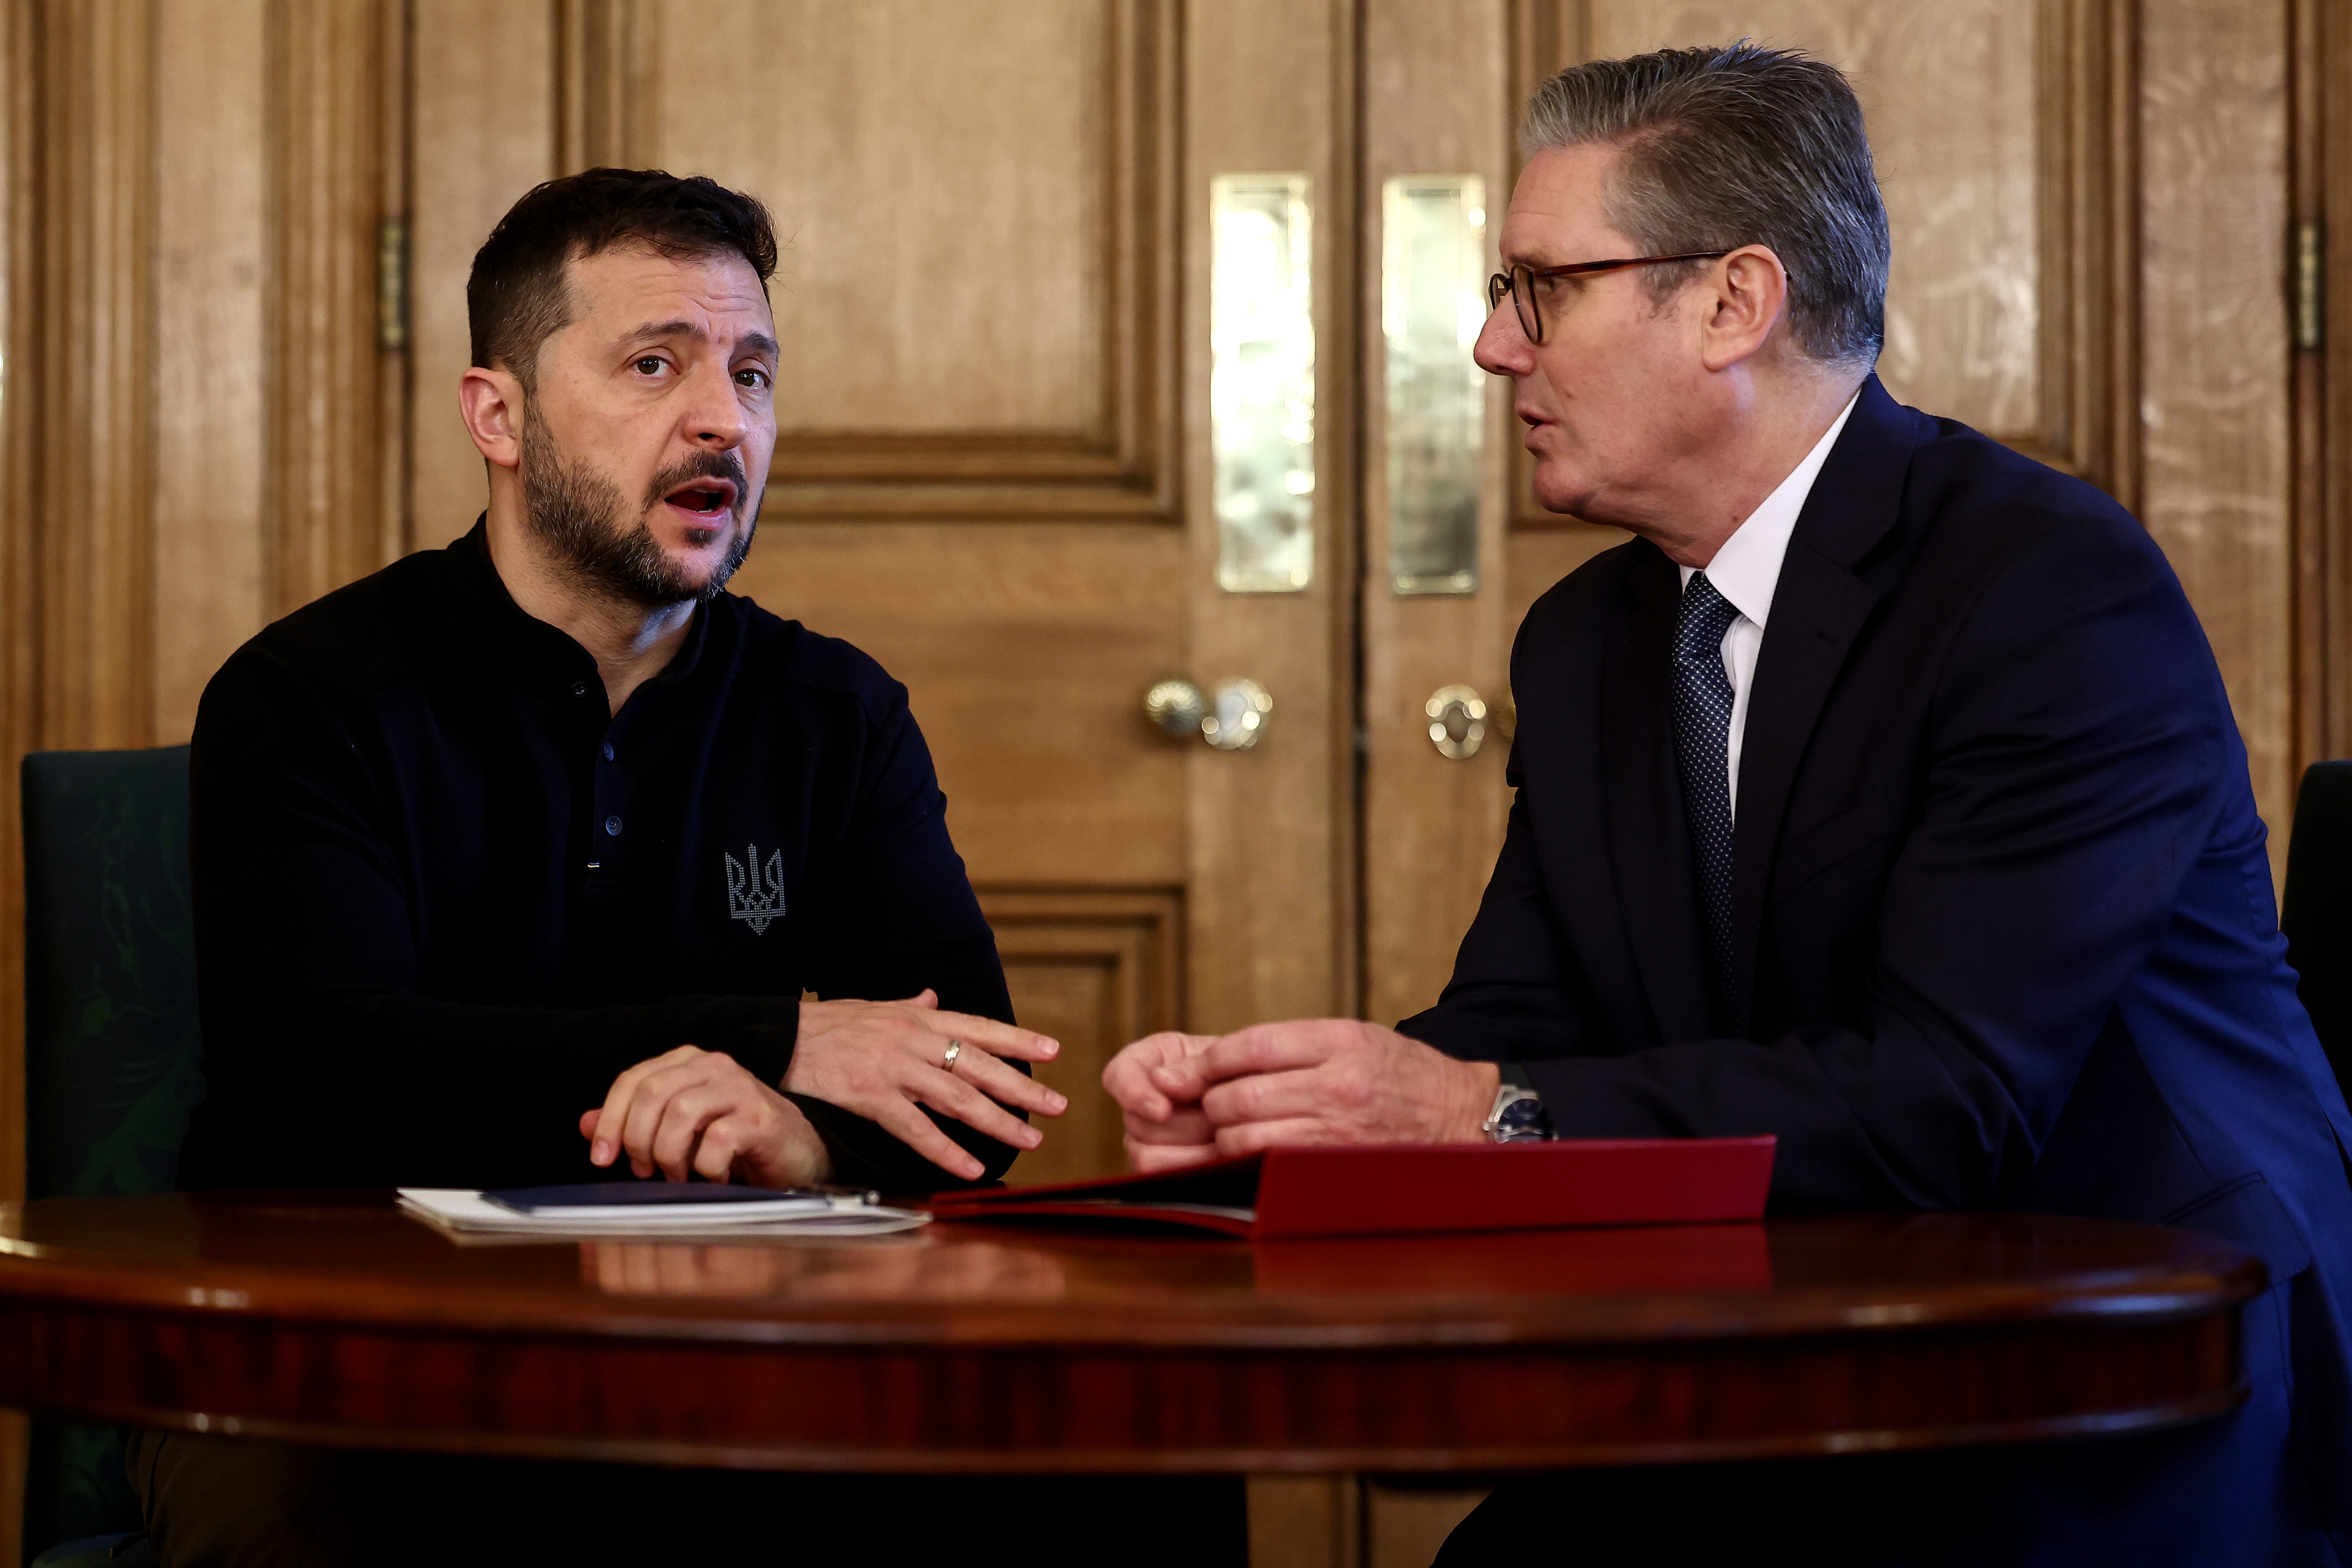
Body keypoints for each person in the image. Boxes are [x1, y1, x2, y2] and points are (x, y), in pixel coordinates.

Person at [1105, 43, 2352, 1566]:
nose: (1494, 347)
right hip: (1773, 1361)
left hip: (2107, 1382)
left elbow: (1942, 1103)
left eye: (1536, 289)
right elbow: (1526, 1026)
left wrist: (1467, 1114)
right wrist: (1291, 1127)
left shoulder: (2045, 593)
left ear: (1730, 304)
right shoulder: (1587, 644)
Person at [138, 168, 1245, 1568]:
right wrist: (771, 1034)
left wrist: (807, 1141)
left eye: (754, 372)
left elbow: (973, 1087)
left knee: (1130, 1443)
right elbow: (319, 1067)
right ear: (499, 414)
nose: (725, 417)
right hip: (347, 1342)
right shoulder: (309, 694)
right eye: (655, 364)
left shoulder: (834, 711)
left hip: (742, 1330)